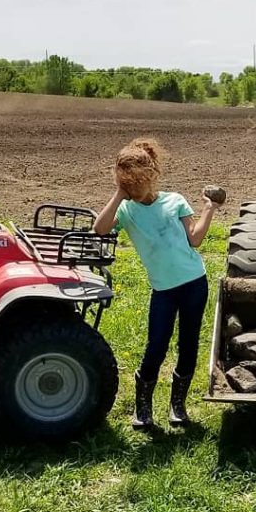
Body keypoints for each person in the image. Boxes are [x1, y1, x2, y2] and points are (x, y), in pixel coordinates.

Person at [93, 137, 222, 430]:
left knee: (188, 345)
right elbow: (100, 229)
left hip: (193, 283)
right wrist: (118, 195)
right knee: (157, 346)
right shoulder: (126, 210)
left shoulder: (174, 200)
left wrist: (209, 209)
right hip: (163, 290)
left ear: (150, 177)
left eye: (135, 184)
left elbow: (196, 239)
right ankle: (143, 408)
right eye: (127, 185)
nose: (133, 191)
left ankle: (178, 406)